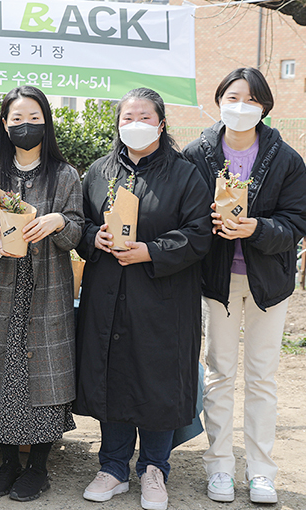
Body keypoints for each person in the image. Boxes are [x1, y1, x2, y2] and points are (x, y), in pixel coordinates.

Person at [75, 88, 212, 510]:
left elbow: (199, 234)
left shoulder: (185, 174)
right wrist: (90, 237)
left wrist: (150, 250)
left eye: (144, 116)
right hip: (107, 292)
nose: (135, 123)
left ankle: (155, 468)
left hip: (162, 296)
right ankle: (113, 466)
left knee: (156, 378)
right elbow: (79, 223)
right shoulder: (99, 172)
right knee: (112, 373)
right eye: (127, 117)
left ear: (161, 123)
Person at [183, 68, 306, 504]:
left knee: (262, 378)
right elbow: (181, 216)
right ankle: (219, 466)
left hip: (267, 284)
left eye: (251, 100)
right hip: (217, 282)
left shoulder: (286, 158)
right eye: (233, 97)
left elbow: (295, 224)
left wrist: (255, 227)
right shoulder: (197, 152)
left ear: (264, 108)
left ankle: (261, 472)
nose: (240, 106)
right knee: (219, 374)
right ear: (219, 101)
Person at [0, 85, 83, 502]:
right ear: (4, 124)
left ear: (46, 121)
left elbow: (77, 232)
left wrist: (56, 222)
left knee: (44, 377)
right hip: (0, 290)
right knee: (2, 371)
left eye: (33, 117)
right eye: (16, 118)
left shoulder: (65, 174)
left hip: (47, 290)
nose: (25, 125)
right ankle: (7, 463)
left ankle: (38, 466)